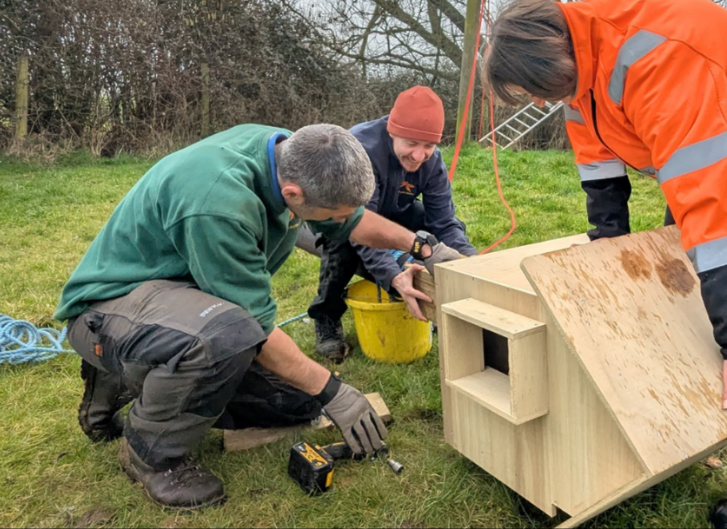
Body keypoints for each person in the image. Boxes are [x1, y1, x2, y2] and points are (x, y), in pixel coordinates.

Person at [482, 0, 727, 529]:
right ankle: (695, 425)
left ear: (558, 53)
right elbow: (595, 148)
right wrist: (609, 241)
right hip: (713, 140)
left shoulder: (656, 58)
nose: (540, 103)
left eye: (540, 93)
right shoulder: (580, 64)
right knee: (678, 286)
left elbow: (713, 207)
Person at [54, 123, 461, 509]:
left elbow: (352, 220)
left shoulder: (289, 153)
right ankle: (150, 453)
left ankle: (133, 374)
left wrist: (421, 247)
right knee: (227, 336)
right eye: (334, 214)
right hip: (110, 306)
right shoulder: (218, 206)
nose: (343, 221)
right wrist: (336, 391)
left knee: (297, 404)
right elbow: (256, 328)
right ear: (293, 193)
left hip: (180, 300)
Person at [307, 86, 476, 362]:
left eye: (429, 146)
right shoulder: (360, 150)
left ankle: (436, 296)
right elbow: (359, 224)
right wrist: (392, 275)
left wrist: (472, 264)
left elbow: (443, 222)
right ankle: (325, 315)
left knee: (452, 232)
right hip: (349, 215)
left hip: (397, 211)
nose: (419, 156)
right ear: (392, 131)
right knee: (341, 243)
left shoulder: (431, 161)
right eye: (411, 143)